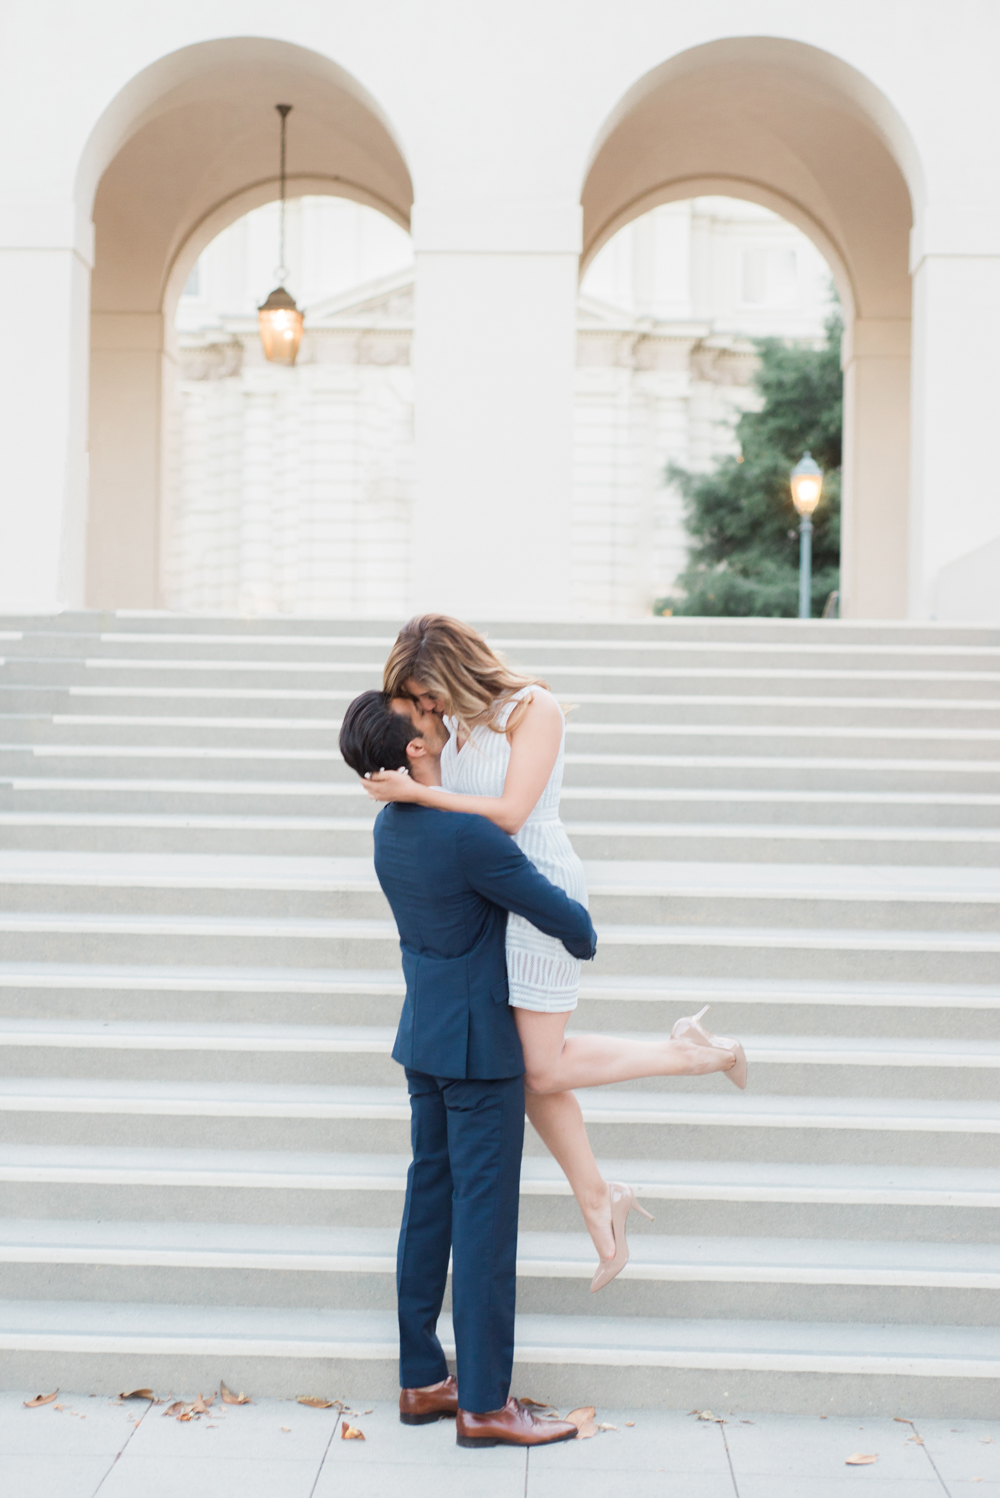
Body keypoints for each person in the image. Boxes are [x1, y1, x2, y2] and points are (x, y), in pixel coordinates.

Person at [364, 614, 748, 1291]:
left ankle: (692, 1057)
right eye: (419, 701)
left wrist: (419, 792)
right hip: (483, 900)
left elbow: (510, 813)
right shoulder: (454, 727)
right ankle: (601, 1193)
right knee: (523, 1065)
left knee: (538, 1069)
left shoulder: (531, 708)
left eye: (429, 694)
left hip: (536, 887)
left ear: (456, 668)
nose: (427, 710)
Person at [339, 688, 593, 1448]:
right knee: (484, 1225)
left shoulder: (389, 828)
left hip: (423, 1038)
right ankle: (486, 1403)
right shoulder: (468, 838)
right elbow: (574, 928)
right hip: (481, 1049)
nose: (444, 723)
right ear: (415, 752)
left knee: (428, 1206)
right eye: (429, 721)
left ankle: (423, 1379)